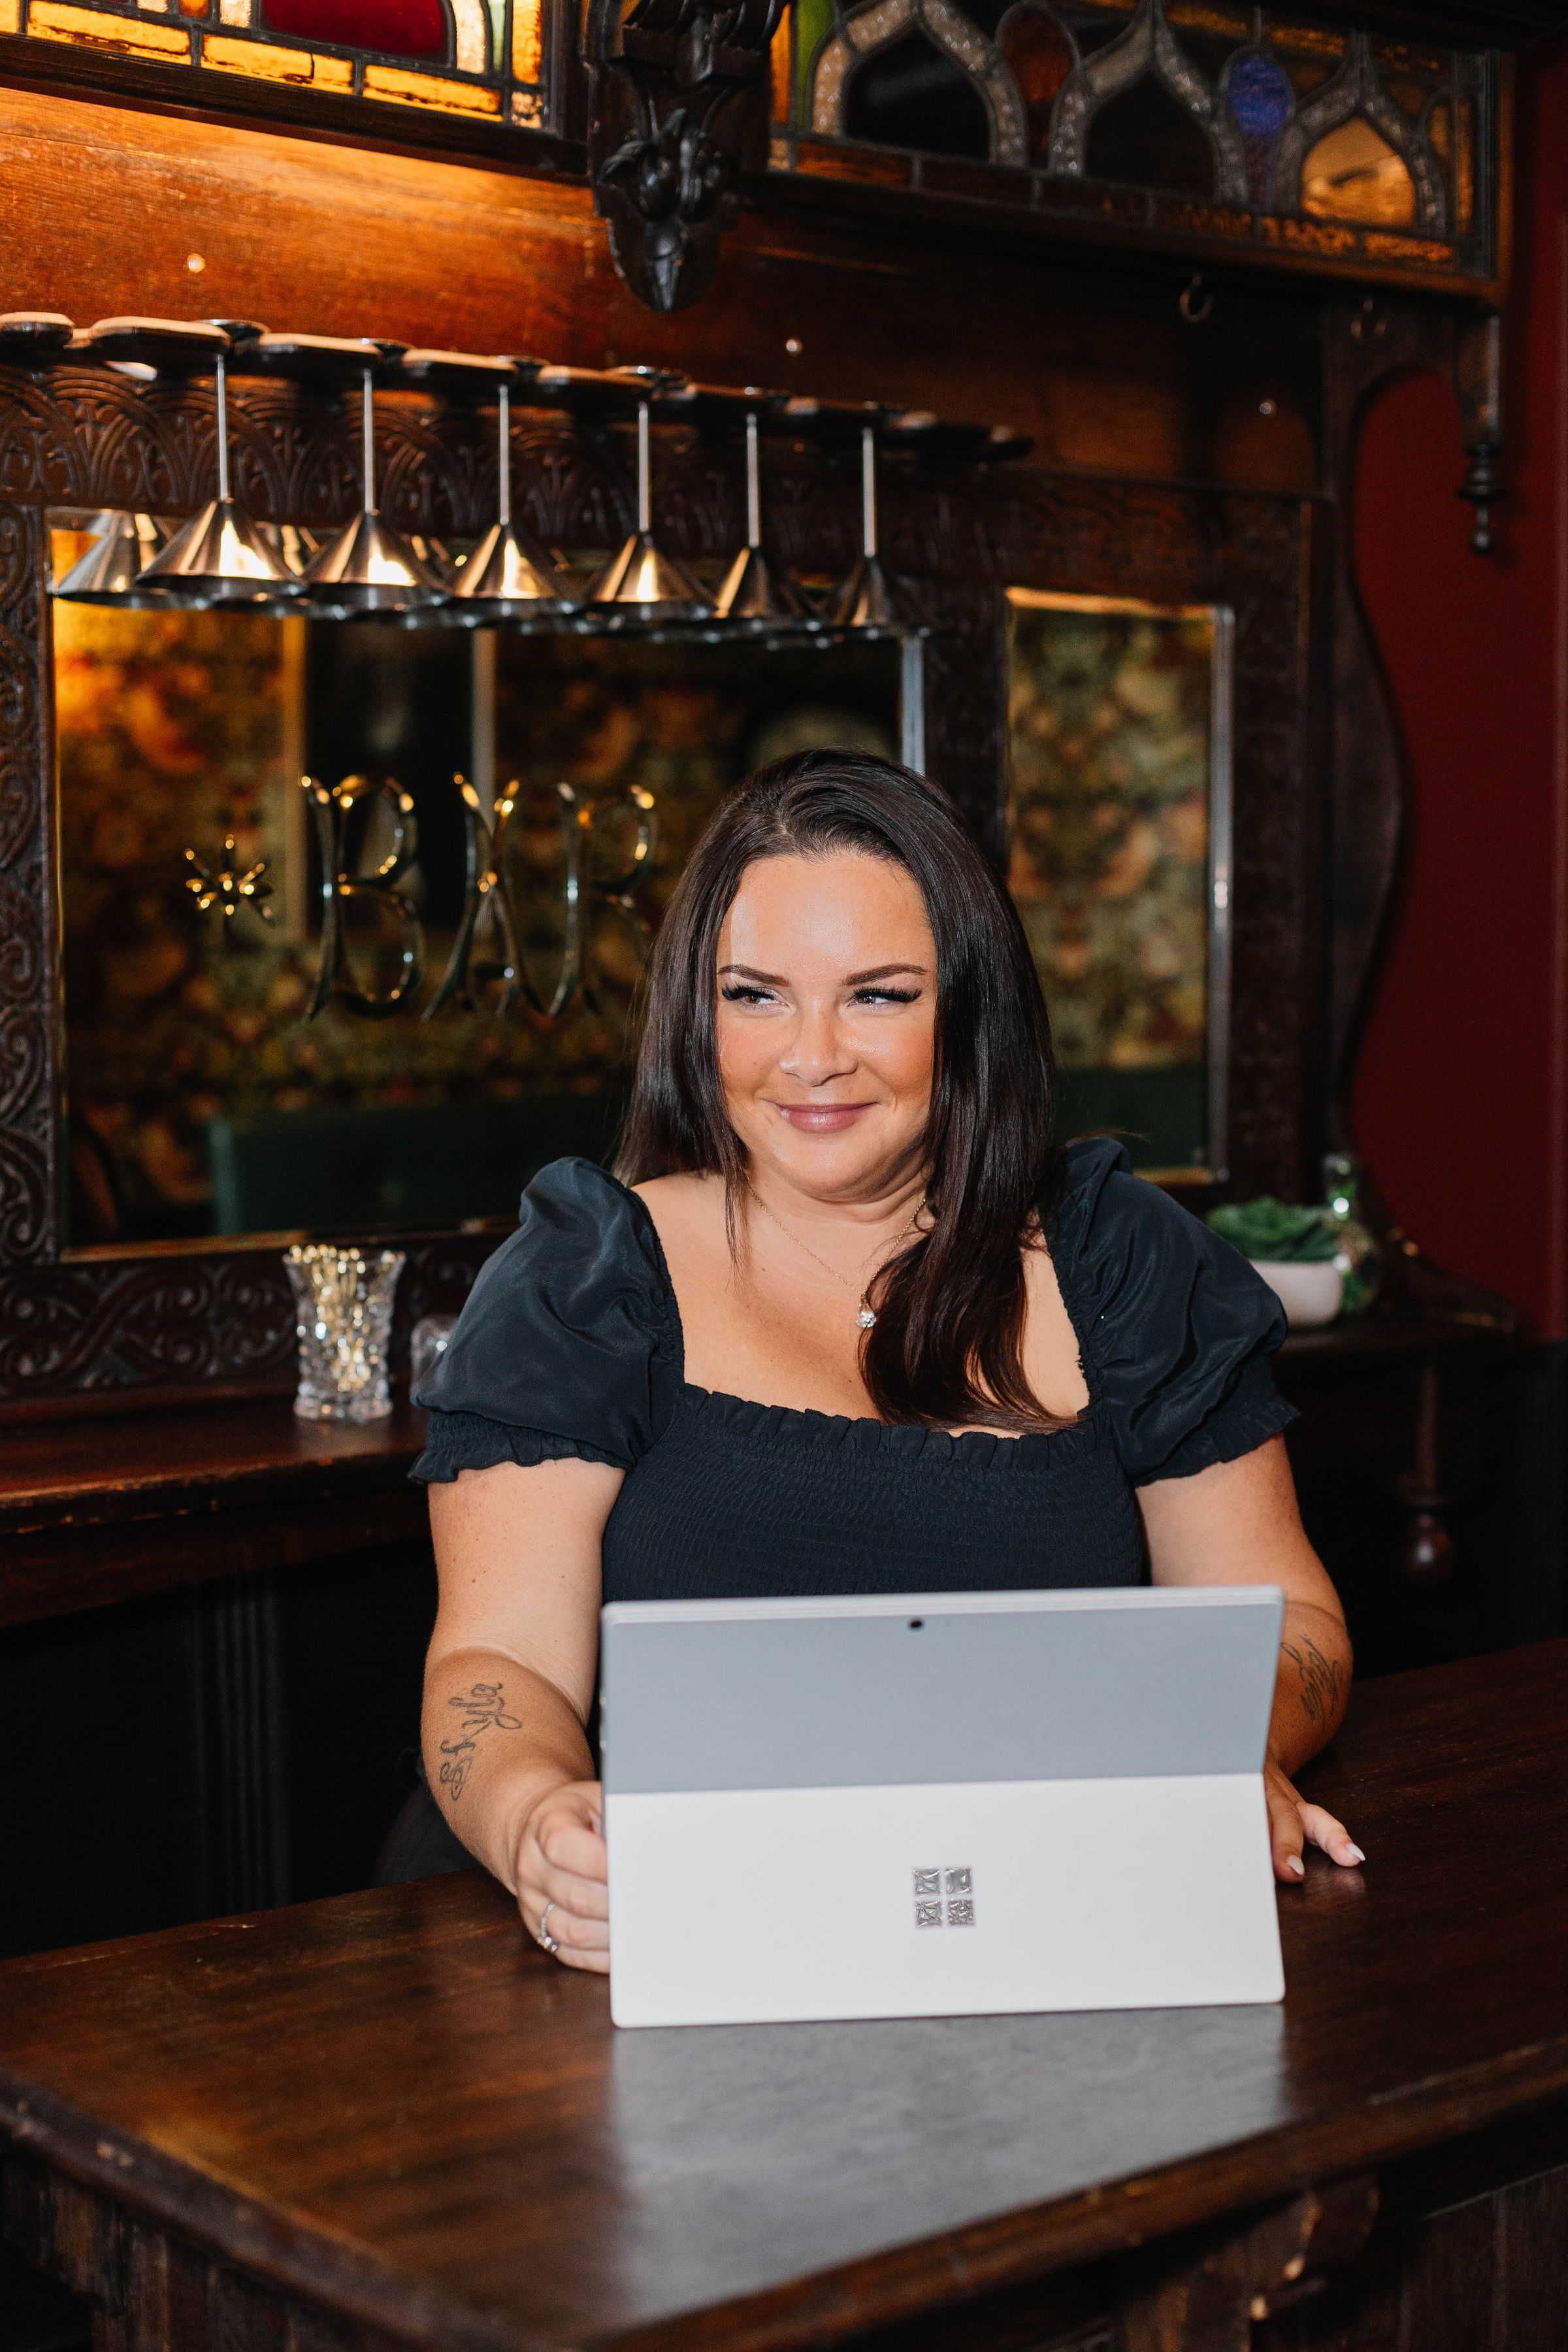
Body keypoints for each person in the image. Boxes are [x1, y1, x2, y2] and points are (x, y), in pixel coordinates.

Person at [401, 751, 1361, 1974]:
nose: (812, 1057)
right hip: (663, 1940)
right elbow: (495, 1664)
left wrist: (1226, 1751)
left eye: (879, 996)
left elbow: (1296, 1624)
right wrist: (533, 1816)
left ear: (970, 1012)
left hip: (1031, 1921)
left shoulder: (1118, 1258)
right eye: (756, 995)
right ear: (697, 1014)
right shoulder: (586, 1278)